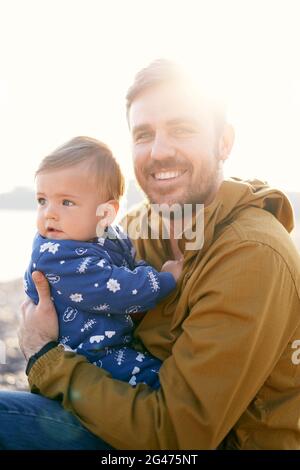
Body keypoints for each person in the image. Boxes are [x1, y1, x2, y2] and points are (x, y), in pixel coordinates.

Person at [1, 59, 300, 450]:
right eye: (143, 134)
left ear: (224, 142)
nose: (159, 151)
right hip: (129, 410)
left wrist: (45, 356)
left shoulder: (252, 256)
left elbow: (178, 436)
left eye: (182, 129)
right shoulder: (140, 224)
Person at [24, 136, 182, 390]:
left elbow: (132, 263)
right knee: (159, 380)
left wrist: (142, 271)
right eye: (42, 200)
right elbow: (114, 287)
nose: (49, 212)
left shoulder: (111, 235)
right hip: (84, 355)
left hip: (111, 342)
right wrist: (166, 280)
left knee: (162, 371)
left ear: (106, 214)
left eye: (66, 202)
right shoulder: (55, 254)